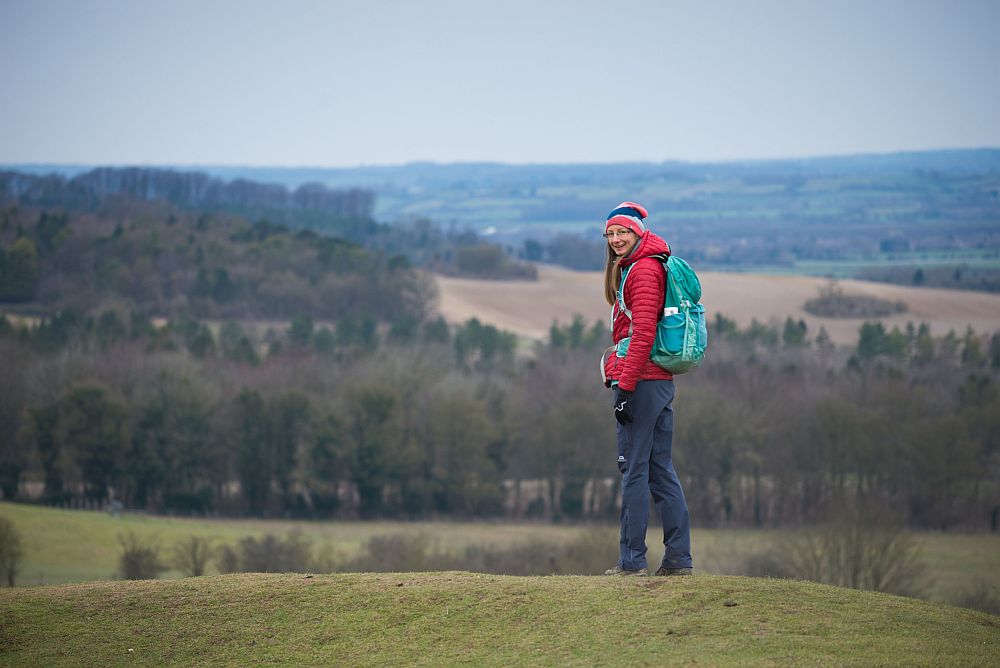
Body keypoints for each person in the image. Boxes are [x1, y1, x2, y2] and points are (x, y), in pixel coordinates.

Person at [600, 201, 693, 577]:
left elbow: (642, 336)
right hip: (656, 382)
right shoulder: (644, 266)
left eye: (623, 232)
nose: (617, 239)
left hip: (642, 382)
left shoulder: (643, 271)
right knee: (660, 469)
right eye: (611, 233)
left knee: (634, 470)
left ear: (638, 232)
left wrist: (624, 389)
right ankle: (677, 560)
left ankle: (632, 561)